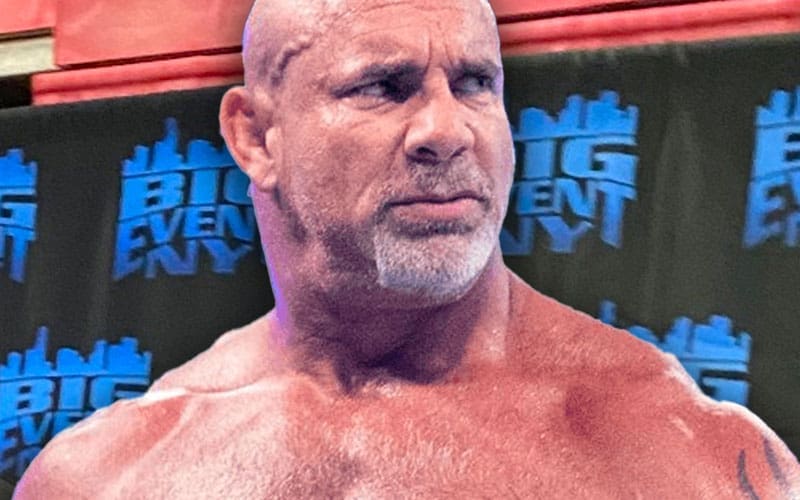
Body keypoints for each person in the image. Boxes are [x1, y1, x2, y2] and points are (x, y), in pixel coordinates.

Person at [14, 0, 800, 497]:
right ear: (254, 137)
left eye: (475, 83)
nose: (446, 130)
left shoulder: (680, 454)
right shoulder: (112, 475)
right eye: (382, 86)